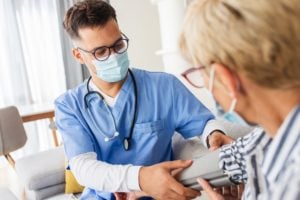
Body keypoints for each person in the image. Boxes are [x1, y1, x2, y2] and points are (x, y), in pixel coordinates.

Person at [54, 0, 231, 199]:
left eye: (118, 45)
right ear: (78, 55)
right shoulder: (69, 106)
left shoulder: (164, 87)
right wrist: (140, 178)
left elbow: (204, 123)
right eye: (101, 52)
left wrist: (213, 134)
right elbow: (84, 168)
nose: (114, 56)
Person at [179, 0, 300, 199]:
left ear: (227, 80)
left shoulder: (292, 184)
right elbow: (231, 156)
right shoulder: (267, 135)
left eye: (201, 74)